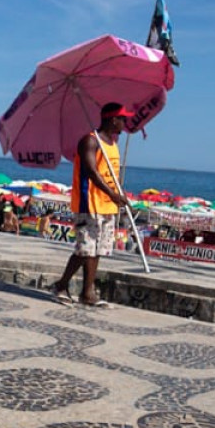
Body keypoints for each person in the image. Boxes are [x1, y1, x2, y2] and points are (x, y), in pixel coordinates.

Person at [49, 102, 129, 308]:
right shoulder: (90, 141)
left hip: (107, 205)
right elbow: (92, 172)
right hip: (89, 203)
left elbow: (113, 173)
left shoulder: (113, 144)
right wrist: (113, 193)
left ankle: (88, 292)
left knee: (98, 250)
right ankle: (61, 285)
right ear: (113, 119)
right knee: (85, 249)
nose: (125, 123)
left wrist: (118, 192)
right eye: (122, 119)